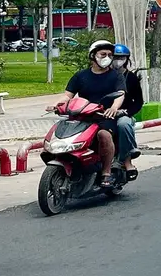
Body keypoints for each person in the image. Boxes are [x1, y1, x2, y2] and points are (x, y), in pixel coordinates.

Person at [52, 40, 125, 188]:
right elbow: (68, 95)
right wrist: (56, 104)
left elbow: (120, 94)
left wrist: (113, 108)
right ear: (93, 56)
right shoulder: (81, 76)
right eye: (103, 54)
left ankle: (106, 172)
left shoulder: (116, 76)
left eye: (110, 55)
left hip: (104, 116)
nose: (107, 57)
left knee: (104, 135)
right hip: (82, 116)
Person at [110, 44, 142, 180]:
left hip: (123, 114)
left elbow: (138, 102)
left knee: (123, 124)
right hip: (100, 113)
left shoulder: (131, 78)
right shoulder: (103, 76)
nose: (117, 61)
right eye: (115, 57)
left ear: (126, 59)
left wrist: (126, 112)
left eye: (121, 58)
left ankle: (127, 161)